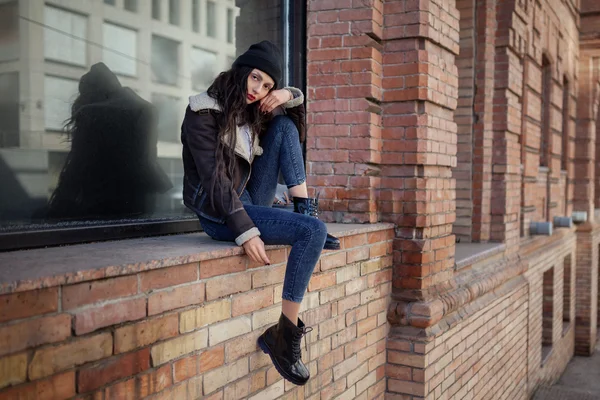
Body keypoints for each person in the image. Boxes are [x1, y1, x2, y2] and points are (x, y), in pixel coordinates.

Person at [181, 40, 340, 385]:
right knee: (313, 232)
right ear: (241, 71)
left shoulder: (252, 111)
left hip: (250, 196)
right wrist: (244, 229)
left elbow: (296, 129)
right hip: (218, 212)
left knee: (283, 128)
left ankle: (304, 211)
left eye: (267, 85)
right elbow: (214, 179)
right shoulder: (202, 112)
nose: (259, 90)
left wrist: (286, 95)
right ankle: (283, 338)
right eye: (255, 78)